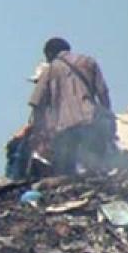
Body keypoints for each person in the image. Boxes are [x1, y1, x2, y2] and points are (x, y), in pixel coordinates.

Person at [28, 37, 114, 175]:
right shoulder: (88, 62)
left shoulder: (50, 69)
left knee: (66, 170)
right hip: (90, 120)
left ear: (50, 53)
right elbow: (103, 92)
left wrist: (40, 131)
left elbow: (37, 102)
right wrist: (107, 114)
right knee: (94, 165)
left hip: (64, 128)